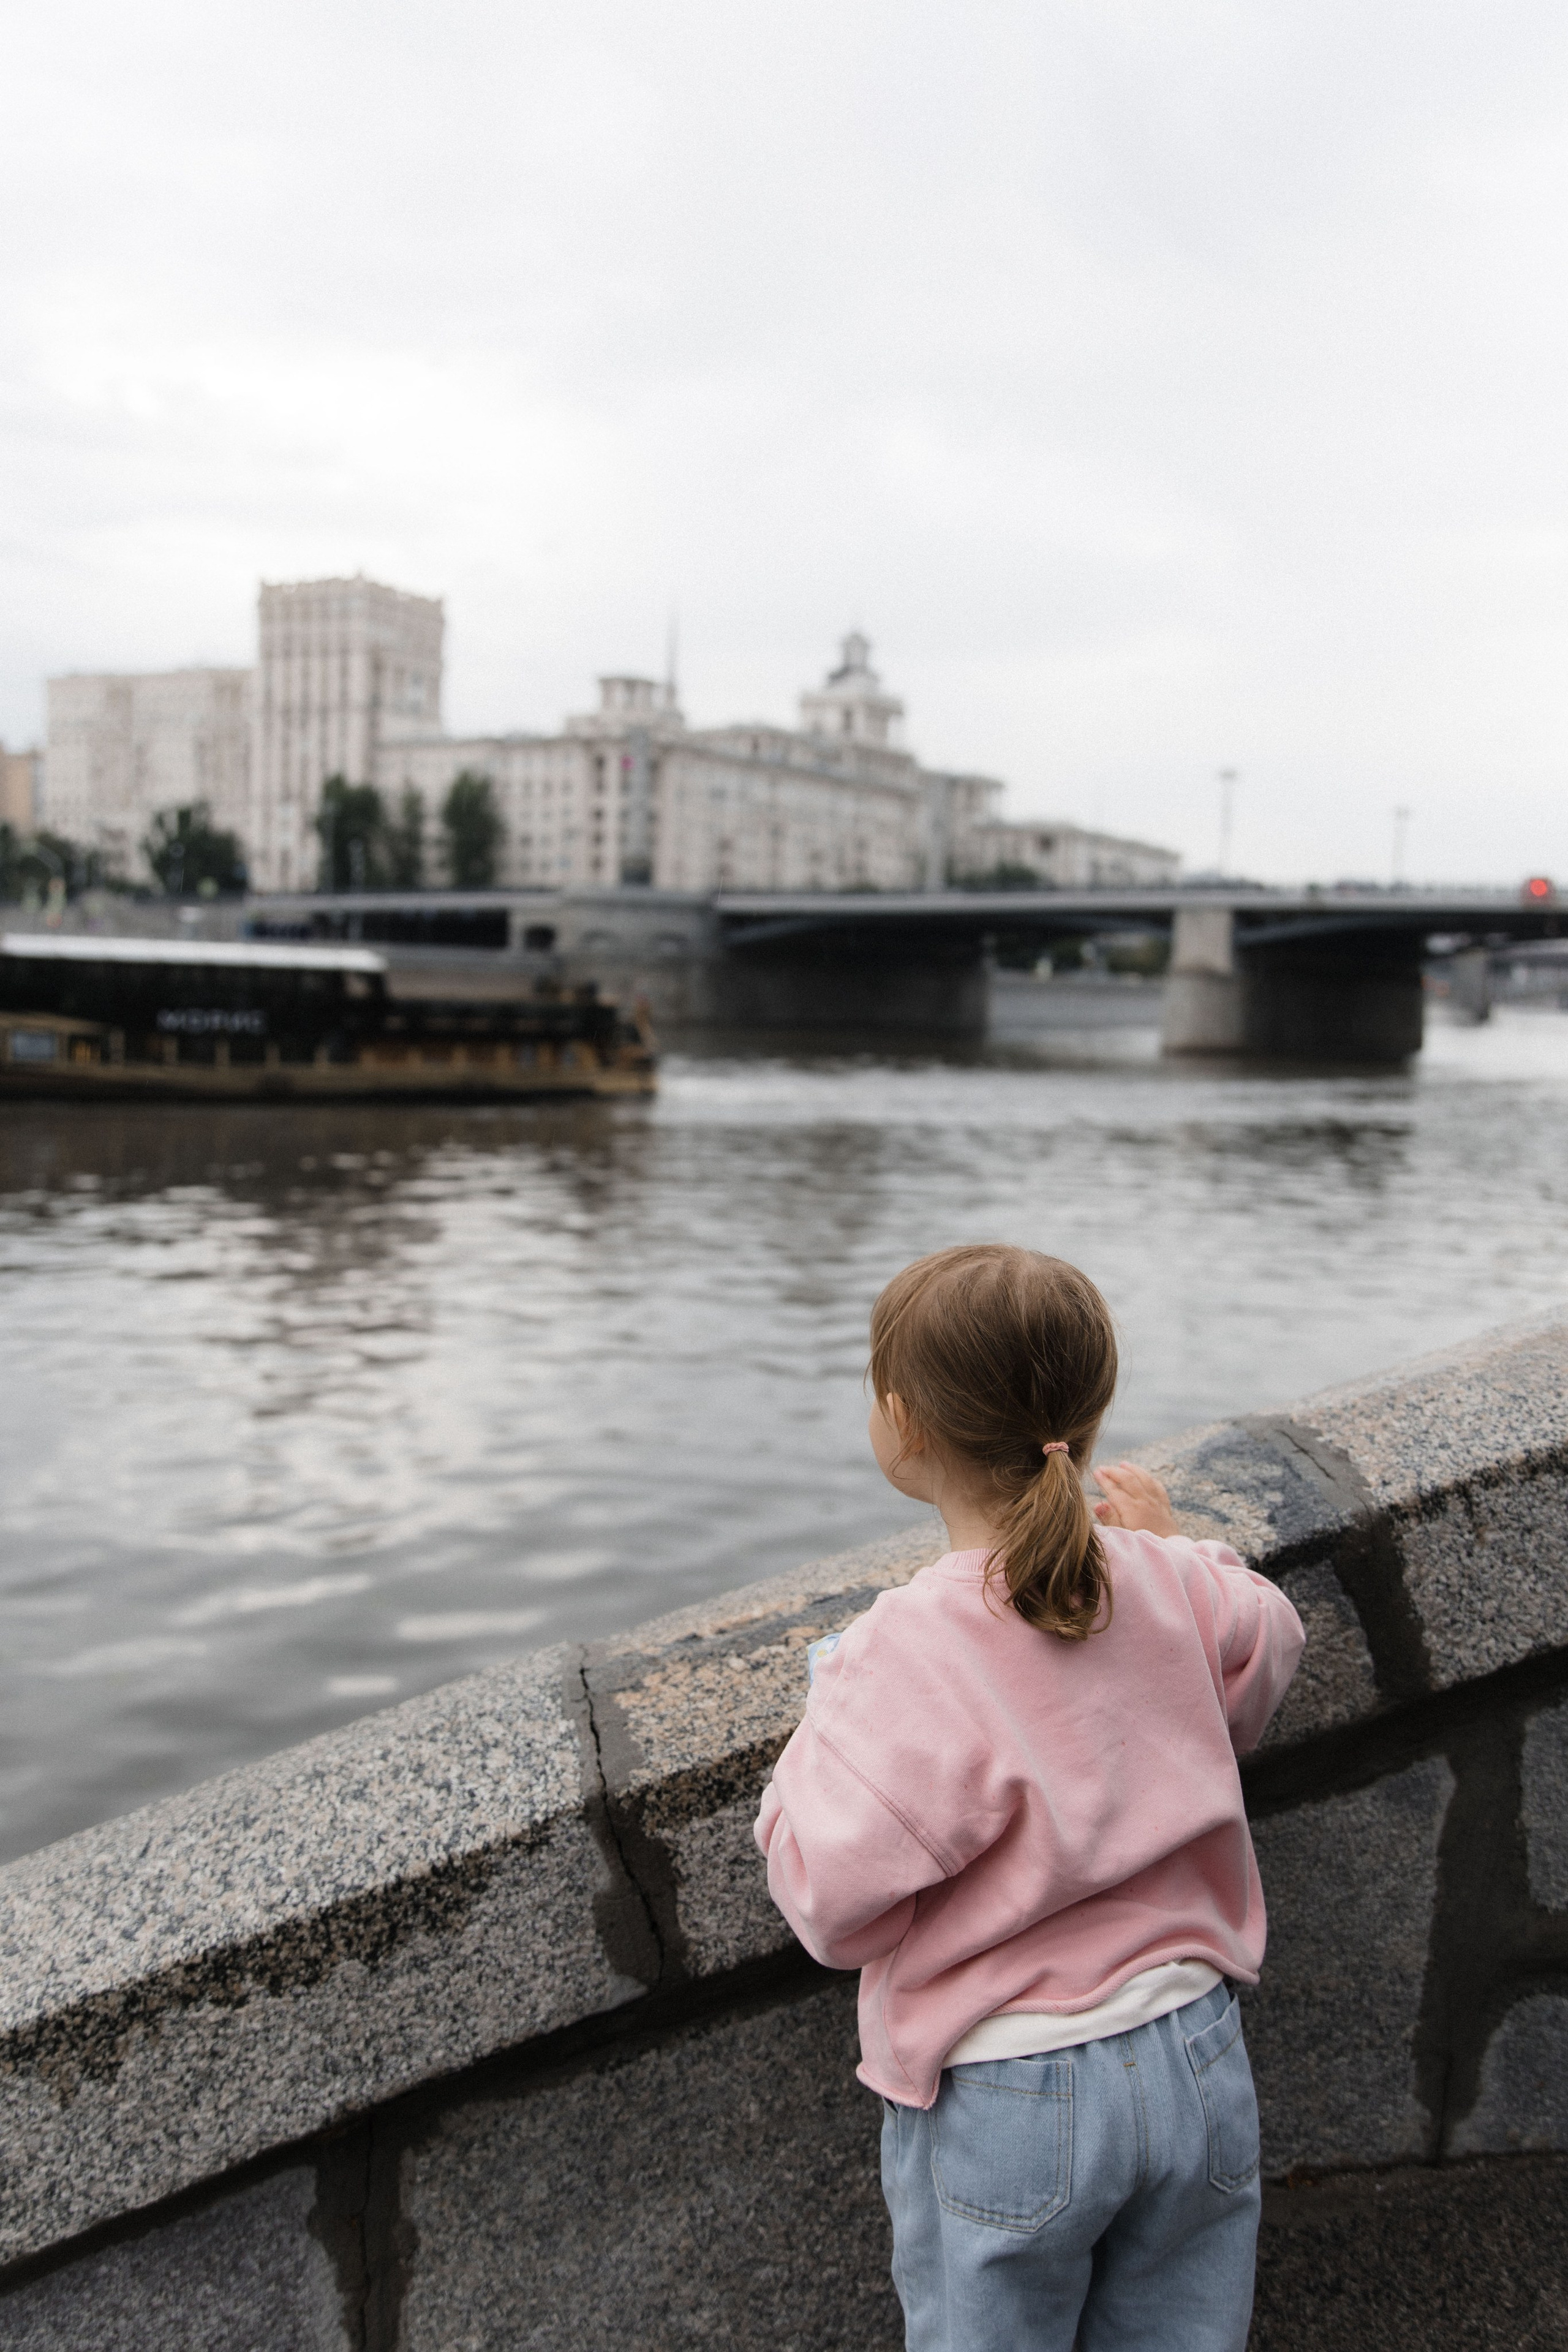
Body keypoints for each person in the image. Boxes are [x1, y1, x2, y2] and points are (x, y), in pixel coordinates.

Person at [754, 1243, 1305, 2352]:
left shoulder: (899, 1649)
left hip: (1012, 2091)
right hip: (1196, 2051)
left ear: (902, 1427)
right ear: (1089, 1413)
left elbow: (829, 1899)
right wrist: (1170, 1546)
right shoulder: (1172, 1583)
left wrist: (827, 1720)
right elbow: (1264, 1641)